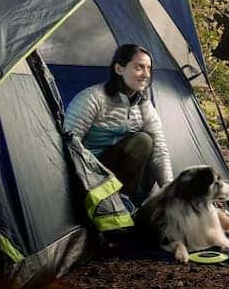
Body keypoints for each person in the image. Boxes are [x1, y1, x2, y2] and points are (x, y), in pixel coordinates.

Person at [64, 44, 173, 200]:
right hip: (90, 172)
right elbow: (70, 142)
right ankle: (115, 203)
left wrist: (169, 187)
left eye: (149, 68)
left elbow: (160, 146)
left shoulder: (144, 104)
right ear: (119, 69)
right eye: (139, 67)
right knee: (142, 141)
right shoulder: (92, 98)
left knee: (153, 147)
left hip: (123, 178)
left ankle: (129, 204)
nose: (146, 75)